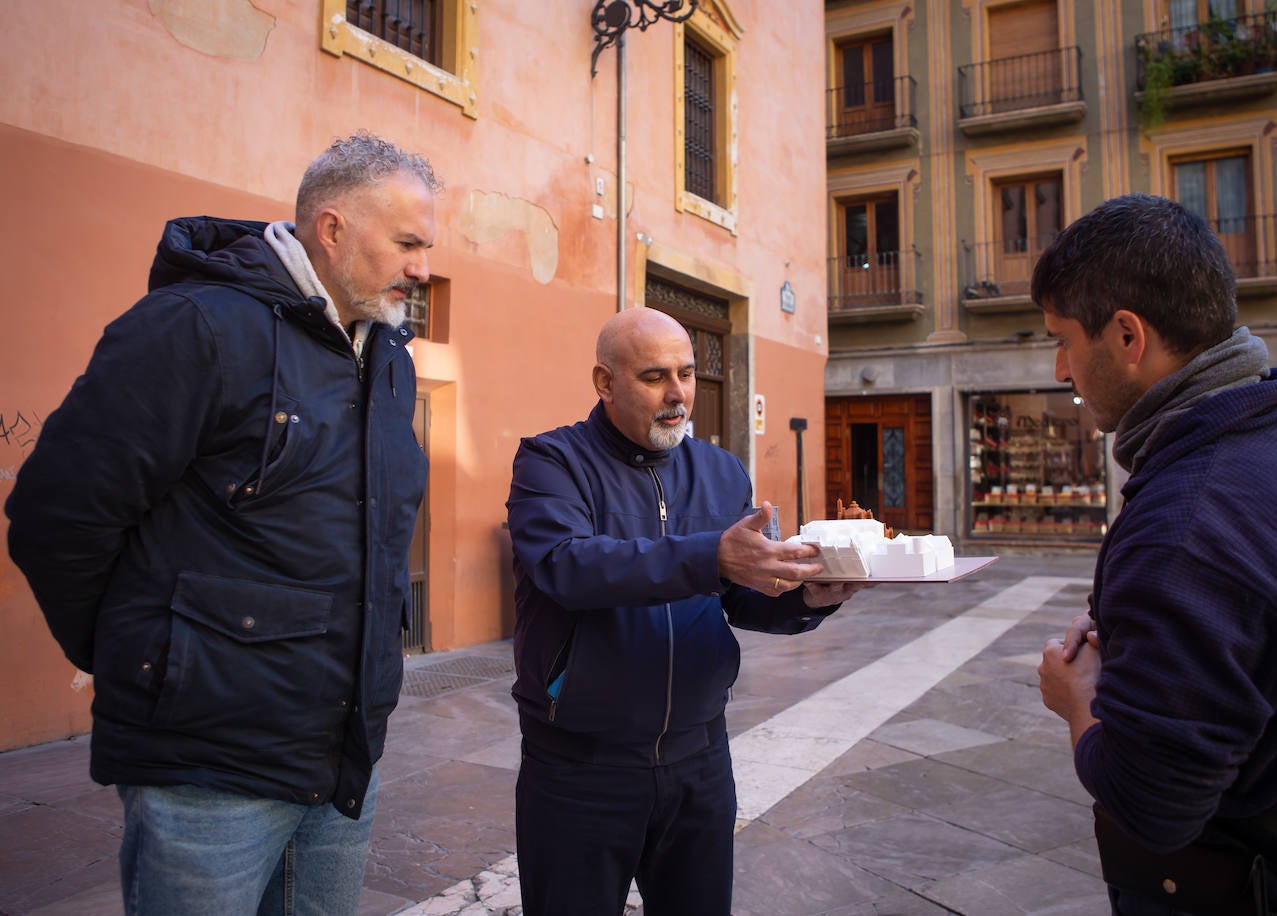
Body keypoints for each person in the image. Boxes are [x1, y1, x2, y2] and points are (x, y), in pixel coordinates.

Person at [5, 132, 441, 915]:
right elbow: (56, 514)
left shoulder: (390, 360)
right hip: (206, 768)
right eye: (408, 242)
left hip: (345, 759)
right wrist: (142, 657)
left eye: (427, 245)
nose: (423, 266)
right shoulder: (194, 326)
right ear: (332, 228)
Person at [1033, 194, 1277, 915]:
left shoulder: (1188, 523)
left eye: (1062, 338)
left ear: (1127, 335)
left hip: (1258, 886)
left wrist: (1078, 698)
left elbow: (1152, 805)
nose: (1061, 367)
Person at [506, 307, 867, 915]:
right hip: (580, 767)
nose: (678, 394)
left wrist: (812, 596)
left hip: (699, 760)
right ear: (604, 381)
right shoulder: (550, 463)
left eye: (688, 373)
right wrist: (712, 556)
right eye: (654, 377)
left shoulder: (722, 472)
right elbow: (568, 566)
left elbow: (739, 594)